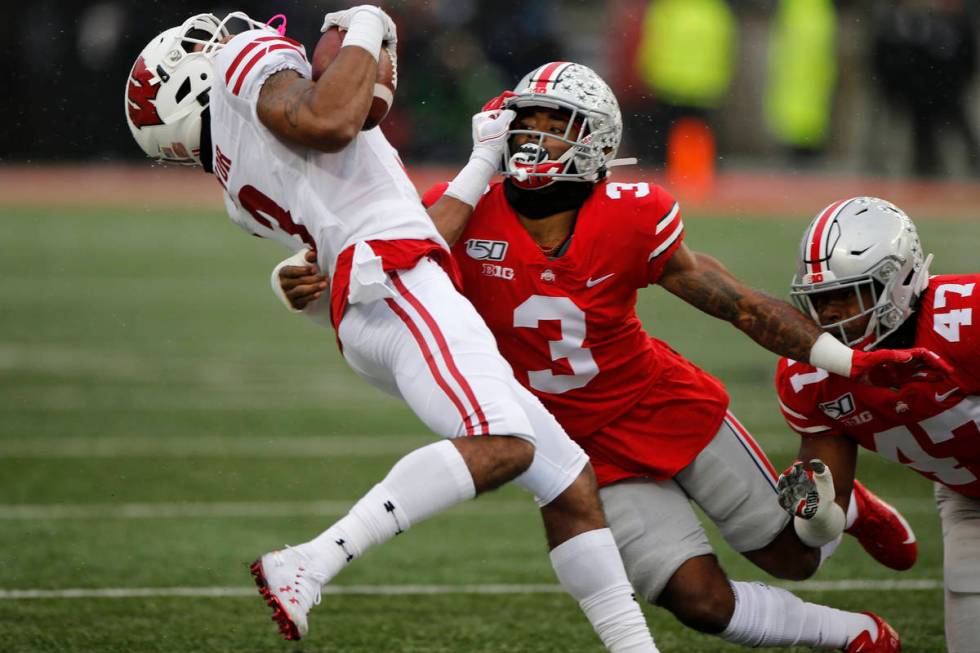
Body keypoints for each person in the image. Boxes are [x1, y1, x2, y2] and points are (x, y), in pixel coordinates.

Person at [277, 62, 953, 651]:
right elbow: (394, 272)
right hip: (576, 448)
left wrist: (846, 360)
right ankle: (853, 633)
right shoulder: (459, 215)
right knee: (701, 602)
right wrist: (312, 280)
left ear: (595, 138)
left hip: (659, 401)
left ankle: (849, 507)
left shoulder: (631, 213)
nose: (533, 136)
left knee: (792, 556)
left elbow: (734, 302)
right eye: (527, 121)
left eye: (555, 123)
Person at [124, 10, 661, 650]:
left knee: (568, 481)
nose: (226, 34)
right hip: (399, 283)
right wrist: (367, 27)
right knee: (506, 442)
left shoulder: (238, 195)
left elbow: (374, 205)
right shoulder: (243, 61)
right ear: (185, 80)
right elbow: (333, 120)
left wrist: (483, 159)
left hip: (383, 289)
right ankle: (311, 561)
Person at [773, 197, 980, 652]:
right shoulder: (809, 374)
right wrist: (818, 509)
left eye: (846, 295)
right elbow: (824, 516)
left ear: (899, 280)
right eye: (819, 300)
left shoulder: (965, 317)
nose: (828, 316)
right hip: (970, 497)